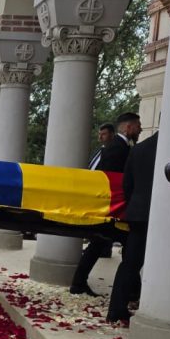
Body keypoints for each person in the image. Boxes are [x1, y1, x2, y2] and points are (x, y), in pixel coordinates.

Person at [69, 113, 141, 296]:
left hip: (112, 205)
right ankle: (132, 291)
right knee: (128, 247)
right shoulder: (119, 148)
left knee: (98, 245)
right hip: (113, 206)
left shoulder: (117, 146)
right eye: (138, 125)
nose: (140, 129)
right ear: (129, 127)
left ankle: (79, 283)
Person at [105, 132, 157, 325]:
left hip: (139, 212)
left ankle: (116, 309)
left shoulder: (139, 148)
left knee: (130, 263)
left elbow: (127, 183)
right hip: (164, 215)